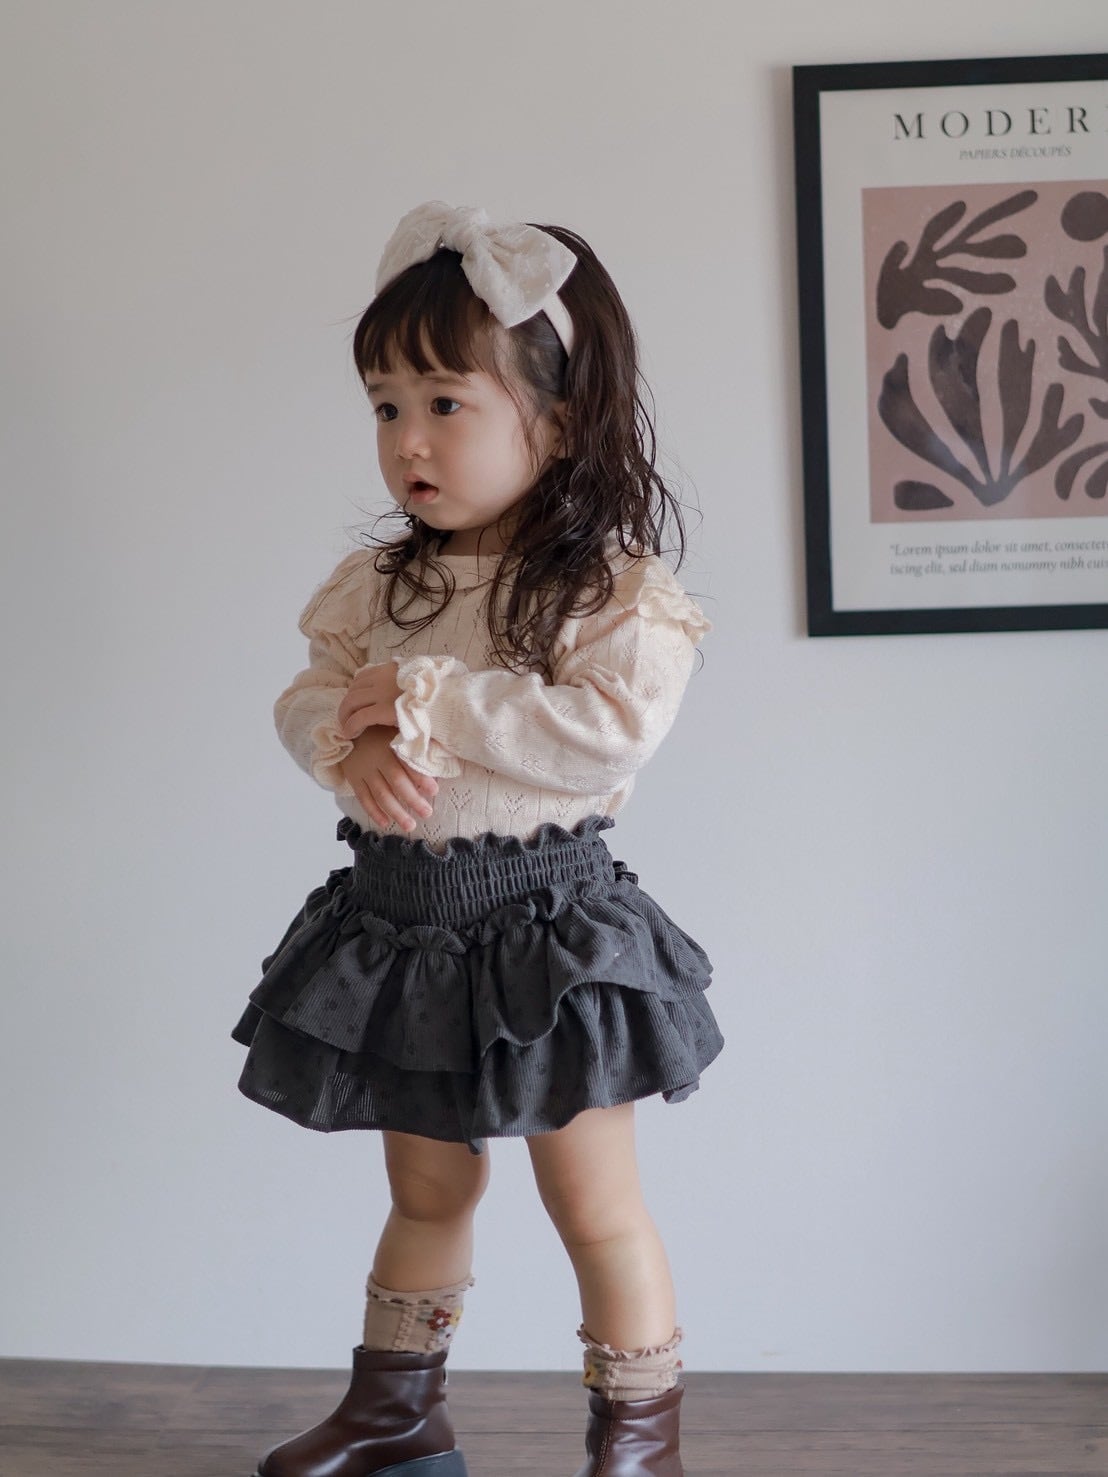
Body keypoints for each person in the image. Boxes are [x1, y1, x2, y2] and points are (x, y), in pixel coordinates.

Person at [231, 201, 723, 1477]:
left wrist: (426, 702)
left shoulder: (610, 590)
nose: (408, 438)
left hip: (549, 936)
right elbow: (310, 694)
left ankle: (639, 1437)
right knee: (427, 1190)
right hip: (406, 925)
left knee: (591, 1202)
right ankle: (398, 1410)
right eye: (386, 406)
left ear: (557, 420)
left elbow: (604, 732)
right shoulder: (378, 588)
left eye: (446, 402)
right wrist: (348, 747)